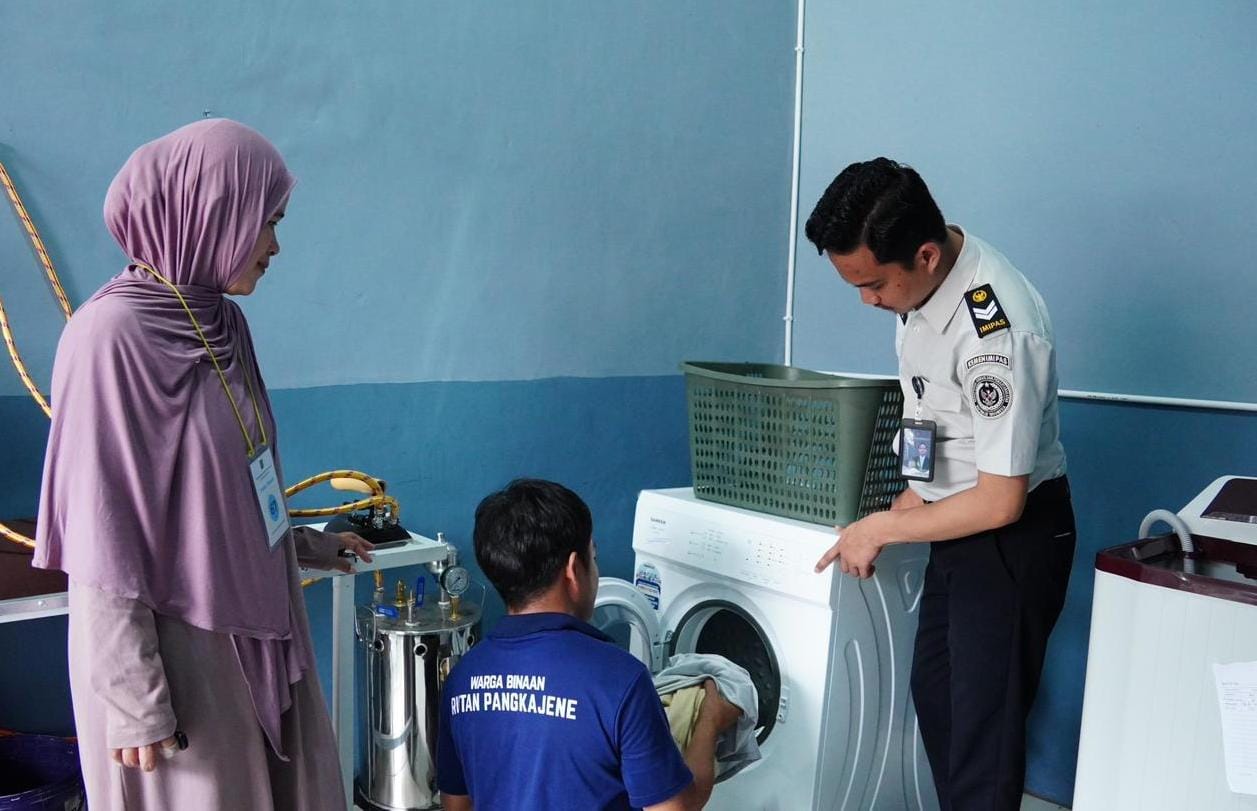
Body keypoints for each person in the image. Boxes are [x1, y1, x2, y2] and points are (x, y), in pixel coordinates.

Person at [33, 119, 375, 809]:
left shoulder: (221, 321)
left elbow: (224, 487)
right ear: (210, 213)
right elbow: (103, 532)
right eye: (266, 221)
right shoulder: (109, 339)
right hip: (175, 650)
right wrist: (134, 697)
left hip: (259, 623)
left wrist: (302, 545)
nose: (275, 246)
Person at [804, 158, 1076, 811]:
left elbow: (1000, 499)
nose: (867, 301)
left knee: (982, 734)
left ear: (925, 255)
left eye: (873, 284)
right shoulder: (923, 288)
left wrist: (884, 526)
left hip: (1009, 539)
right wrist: (902, 502)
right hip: (956, 526)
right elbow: (940, 419)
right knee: (939, 699)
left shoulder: (995, 329)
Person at [437, 479, 742, 811]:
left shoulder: (463, 677)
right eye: (593, 557)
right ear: (573, 570)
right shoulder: (620, 679)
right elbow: (674, 808)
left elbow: (456, 805)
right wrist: (710, 722)